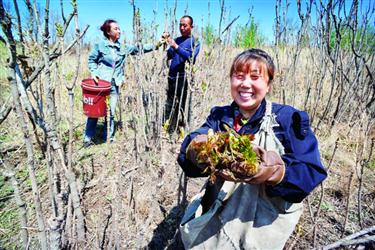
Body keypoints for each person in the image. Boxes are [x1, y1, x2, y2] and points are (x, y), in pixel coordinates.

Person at [177, 48, 327, 249]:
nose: (245, 84)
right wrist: (196, 148)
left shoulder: (286, 120)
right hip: (216, 214)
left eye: (255, 77)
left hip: (260, 224)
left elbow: (310, 172)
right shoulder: (220, 116)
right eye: (239, 76)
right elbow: (192, 150)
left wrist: (275, 171)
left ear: (268, 84)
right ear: (231, 80)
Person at [84, 19, 155, 147]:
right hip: (99, 84)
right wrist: (94, 73)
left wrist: (158, 44)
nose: (119, 31)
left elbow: (139, 49)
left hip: (114, 84)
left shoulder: (122, 47)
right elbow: (91, 60)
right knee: (94, 112)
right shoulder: (99, 45)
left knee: (110, 112)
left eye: (119, 28)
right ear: (108, 31)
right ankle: (87, 139)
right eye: (116, 29)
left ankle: (108, 139)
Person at [163, 15, 200, 134]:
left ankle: (181, 130)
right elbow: (170, 54)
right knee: (170, 103)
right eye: (180, 25)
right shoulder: (177, 39)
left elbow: (191, 57)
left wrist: (176, 46)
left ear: (191, 27)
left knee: (181, 105)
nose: (182, 28)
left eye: (185, 25)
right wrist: (166, 42)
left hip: (183, 79)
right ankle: (167, 127)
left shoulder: (195, 42)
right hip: (172, 77)